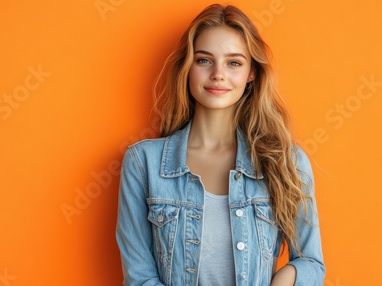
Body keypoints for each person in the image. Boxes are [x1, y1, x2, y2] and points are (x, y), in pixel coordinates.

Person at [115, 3, 325, 286]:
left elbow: (312, 263)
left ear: (251, 73)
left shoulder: (286, 160)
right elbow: (140, 278)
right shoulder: (143, 163)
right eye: (204, 60)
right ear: (188, 67)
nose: (218, 74)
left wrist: (287, 276)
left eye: (234, 63)